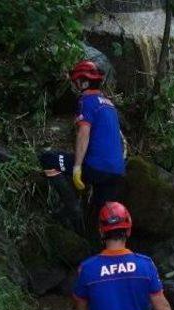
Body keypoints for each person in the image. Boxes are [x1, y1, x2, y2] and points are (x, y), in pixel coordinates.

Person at [70, 60, 125, 210]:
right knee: (103, 212)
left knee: (50, 159)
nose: (75, 85)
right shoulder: (109, 104)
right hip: (117, 170)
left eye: (77, 82)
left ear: (84, 83)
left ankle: (71, 212)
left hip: (97, 169)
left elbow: (83, 134)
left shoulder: (87, 102)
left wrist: (77, 167)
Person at [38, 150, 84, 234]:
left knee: (75, 204)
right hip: (52, 167)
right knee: (75, 208)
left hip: (57, 161)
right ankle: (78, 234)